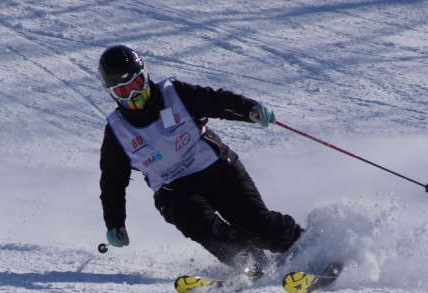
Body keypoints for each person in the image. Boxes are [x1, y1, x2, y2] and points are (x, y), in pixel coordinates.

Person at [97, 44, 303, 276]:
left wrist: (249, 109)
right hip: (174, 189)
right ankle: (248, 261)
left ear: (146, 76)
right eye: (123, 92)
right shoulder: (118, 132)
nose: (134, 95)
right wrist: (115, 223)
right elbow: (113, 181)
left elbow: (216, 101)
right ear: (112, 94)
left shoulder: (174, 94)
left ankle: (306, 247)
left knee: (256, 225)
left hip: (217, 170)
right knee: (199, 222)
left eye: (136, 84)